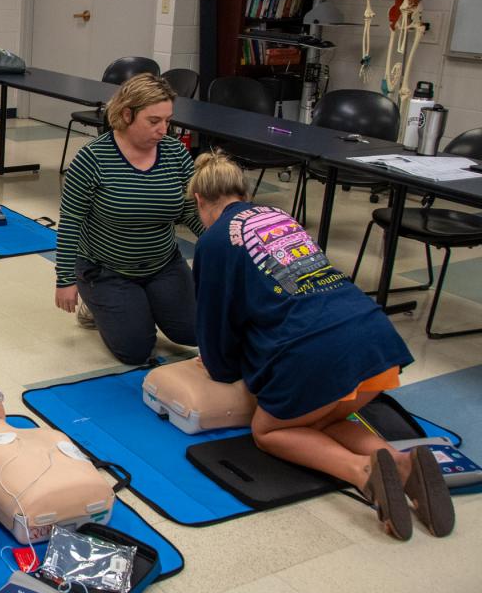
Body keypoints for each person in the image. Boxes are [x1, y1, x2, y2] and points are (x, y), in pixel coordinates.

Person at [188, 151, 452, 541]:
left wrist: (222, 369)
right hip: (375, 339)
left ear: (199, 201)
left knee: (269, 431)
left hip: (316, 352)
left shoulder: (213, 240)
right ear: (244, 192)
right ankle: (399, 462)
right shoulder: (281, 217)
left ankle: (360, 472)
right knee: (324, 419)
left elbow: (214, 325)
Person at [54, 73, 203, 365]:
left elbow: (188, 210)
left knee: (194, 333)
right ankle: (96, 307)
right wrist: (65, 280)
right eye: (153, 121)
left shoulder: (174, 153)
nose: (163, 130)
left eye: (167, 121)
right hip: (107, 269)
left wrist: (220, 238)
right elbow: (70, 222)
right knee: (135, 351)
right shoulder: (92, 158)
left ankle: (146, 304)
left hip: (163, 263)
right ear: (126, 114)